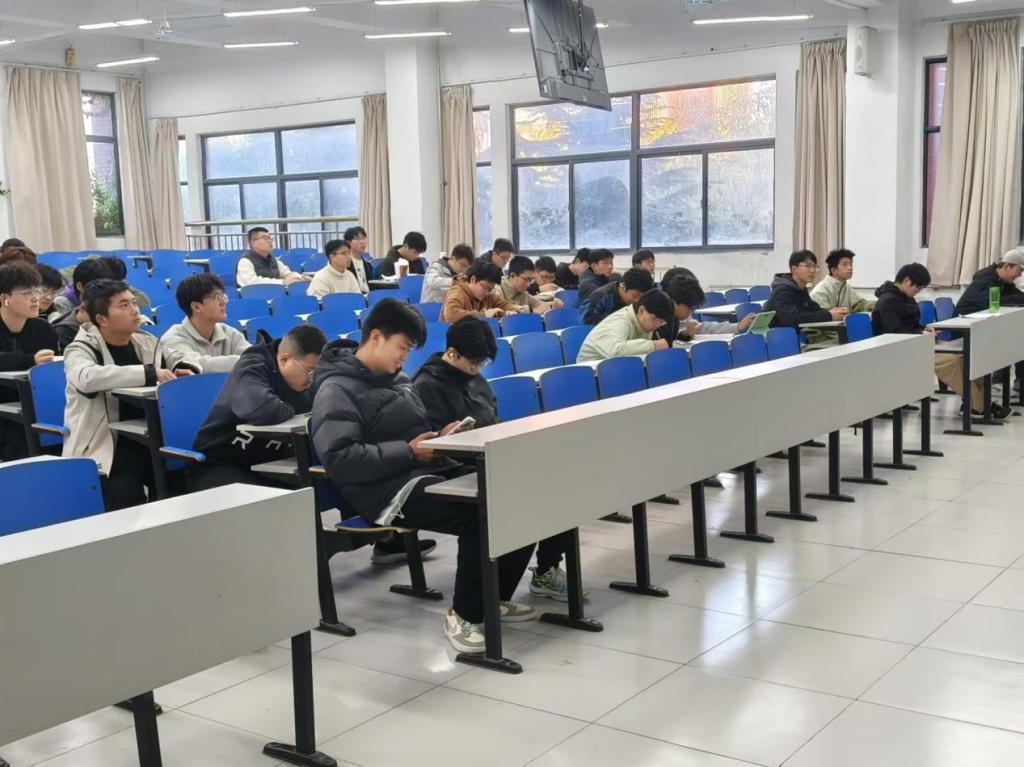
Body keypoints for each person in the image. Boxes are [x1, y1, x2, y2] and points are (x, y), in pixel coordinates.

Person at [310, 299, 536, 653]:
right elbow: (341, 459)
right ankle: (464, 615)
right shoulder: (336, 390)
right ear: (375, 337)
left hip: (421, 470)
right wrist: (409, 451)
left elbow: (414, 431)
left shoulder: (397, 379)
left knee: (517, 492)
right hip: (384, 491)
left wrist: (440, 438)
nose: (404, 358)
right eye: (401, 348)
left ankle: (494, 597)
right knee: (480, 512)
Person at [411, 317, 585, 602]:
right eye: (474, 364)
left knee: (559, 480)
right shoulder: (427, 386)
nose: (478, 370)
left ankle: (547, 568)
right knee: (525, 495)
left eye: (482, 364)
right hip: (461, 468)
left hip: (492, 456)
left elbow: (493, 419)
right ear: (452, 353)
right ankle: (493, 596)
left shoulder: (474, 378)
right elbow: (435, 449)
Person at [63, 279, 201, 510]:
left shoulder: (145, 340)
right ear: (102, 319)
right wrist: (148, 373)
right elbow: (87, 378)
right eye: (124, 305)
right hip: (110, 444)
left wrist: (184, 368)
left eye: (134, 303)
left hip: (152, 436)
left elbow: (179, 357)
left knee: (185, 483)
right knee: (125, 497)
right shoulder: (81, 348)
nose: (135, 310)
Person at [190, 325, 328, 490]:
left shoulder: (304, 380)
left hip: (270, 464)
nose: (312, 379)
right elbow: (262, 409)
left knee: (318, 490)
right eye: (309, 371)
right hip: (218, 464)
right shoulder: (252, 366)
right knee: (284, 499)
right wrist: (290, 408)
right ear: (284, 359)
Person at [873, 264, 1007, 420]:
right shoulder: (888, 301)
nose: (918, 292)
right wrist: (921, 334)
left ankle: (979, 403)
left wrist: (925, 330)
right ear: (907, 281)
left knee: (966, 357)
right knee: (950, 362)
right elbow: (893, 332)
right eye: (918, 288)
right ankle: (980, 406)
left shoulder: (905, 297)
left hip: (915, 343)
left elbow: (911, 326)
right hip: (898, 349)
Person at [0, 263, 59, 460]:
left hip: (36, 404)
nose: (36, 298)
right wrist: (30, 360)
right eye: (27, 293)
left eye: (37, 291)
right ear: (4, 299)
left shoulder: (44, 329)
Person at [162, 274, 250, 373]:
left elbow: (257, 357)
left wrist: (251, 360)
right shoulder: (173, 339)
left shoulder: (230, 333)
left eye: (223, 296)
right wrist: (246, 361)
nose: (223, 302)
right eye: (217, 297)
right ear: (196, 307)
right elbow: (195, 366)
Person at [577, 289, 675, 363]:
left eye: (661, 322)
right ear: (641, 310)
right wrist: (653, 345)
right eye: (654, 319)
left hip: (615, 369)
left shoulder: (643, 322)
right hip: (589, 374)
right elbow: (615, 351)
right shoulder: (620, 321)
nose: (657, 325)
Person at [765, 250, 848, 328]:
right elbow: (792, 319)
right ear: (794, 269)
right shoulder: (782, 291)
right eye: (808, 266)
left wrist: (832, 312)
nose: (812, 270)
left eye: (815, 267)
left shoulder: (801, 288)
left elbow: (813, 310)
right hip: (779, 336)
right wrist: (829, 315)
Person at [439, 261, 523, 322]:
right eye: (486, 288)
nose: (488, 293)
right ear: (473, 279)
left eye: (491, 289)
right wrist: (484, 315)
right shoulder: (457, 292)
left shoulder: (489, 294)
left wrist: (512, 312)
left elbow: (505, 305)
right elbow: (451, 314)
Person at [955, 248, 1024, 315]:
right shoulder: (985, 279)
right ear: (1006, 267)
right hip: (963, 319)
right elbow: (994, 302)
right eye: (1020, 270)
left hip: (983, 318)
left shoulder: (1002, 280)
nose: (1020, 275)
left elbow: (1018, 296)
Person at [236, 227, 311, 288]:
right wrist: (283, 282)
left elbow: (287, 273)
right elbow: (252, 283)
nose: (270, 241)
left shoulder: (273, 259)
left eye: (270, 238)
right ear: (253, 243)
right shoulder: (245, 261)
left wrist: (301, 277)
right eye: (265, 238)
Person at [579, 267, 653, 326]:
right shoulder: (601, 296)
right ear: (623, 286)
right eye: (634, 295)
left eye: (641, 297)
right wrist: (618, 320)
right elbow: (585, 320)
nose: (637, 300)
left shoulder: (640, 301)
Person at [498, 256, 564, 315]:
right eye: (526, 279)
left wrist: (553, 305)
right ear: (512, 275)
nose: (529, 284)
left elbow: (539, 305)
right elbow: (502, 311)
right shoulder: (497, 291)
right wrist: (531, 310)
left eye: (530, 280)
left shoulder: (523, 293)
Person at [344, 225, 373, 293]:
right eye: (357, 239)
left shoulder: (368, 265)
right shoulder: (345, 264)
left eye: (363, 238)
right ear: (348, 242)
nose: (362, 242)